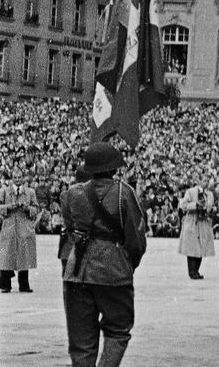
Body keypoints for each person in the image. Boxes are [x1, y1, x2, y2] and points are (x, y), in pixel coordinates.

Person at [60, 142, 147, 367]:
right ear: (115, 167)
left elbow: (70, 228)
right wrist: (128, 264)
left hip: (77, 270)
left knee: (81, 342)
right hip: (114, 271)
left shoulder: (72, 193)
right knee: (117, 331)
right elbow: (136, 238)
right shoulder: (123, 192)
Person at [0, 174, 39, 292]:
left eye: (19, 177)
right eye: (15, 177)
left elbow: (36, 209)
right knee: (7, 255)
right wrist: (9, 207)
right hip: (9, 227)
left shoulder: (30, 192)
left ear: (23, 178)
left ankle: (24, 285)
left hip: (24, 228)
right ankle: (6, 285)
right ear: (12, 179)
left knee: (24, 255)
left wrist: (27, 208)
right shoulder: (4, 191)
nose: (17, 179)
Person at [178, 180, 216, 279]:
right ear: (199, 181)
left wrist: (210, 209)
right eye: (204, 181)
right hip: (192, 222)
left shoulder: (210, 194)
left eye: (208, 181)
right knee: (192, 248)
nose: (206, 183)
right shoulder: (190, 192)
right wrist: (195, 205)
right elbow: (183, 205)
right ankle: (192, 272)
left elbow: (211, 206)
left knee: (201, 248)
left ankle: (196, 271)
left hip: (203, 222)